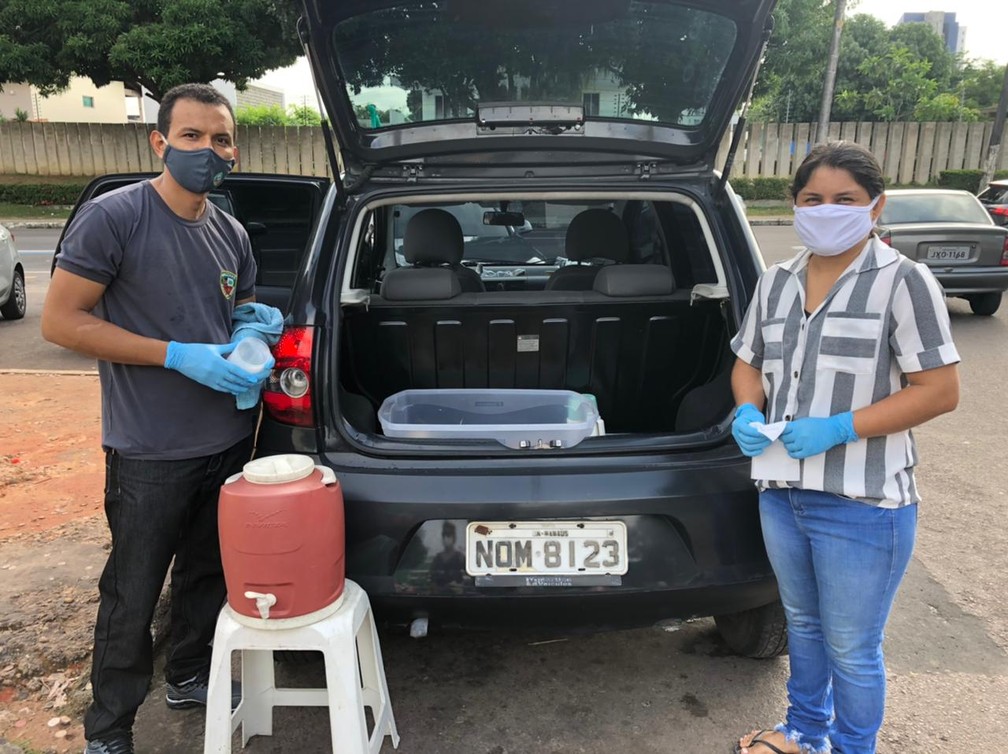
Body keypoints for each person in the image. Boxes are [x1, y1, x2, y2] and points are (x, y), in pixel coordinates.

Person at [41, 83, 275, 754]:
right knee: (132, 594)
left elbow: (237, 318)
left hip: (228, 440)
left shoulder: (230, 231)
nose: (208, 150)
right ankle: (110, 727)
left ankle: (190, 675)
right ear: (160, 141)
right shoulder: (115, 218)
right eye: (193, 136)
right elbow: (61, 322)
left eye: (221, 139)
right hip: (148, 449)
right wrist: (175, 355)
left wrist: (251, 336)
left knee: (207, 574)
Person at [729, 141, 960, 754]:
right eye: (813, 199)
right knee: (803, 628)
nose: (827, 210)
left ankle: (855, 747)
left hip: (863, 502)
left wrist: (840, 428)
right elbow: (747, 361)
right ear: (794, 204)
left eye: (845, 200)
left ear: (874, 207)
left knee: (852, 647)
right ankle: (804, 733)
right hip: (782, 493)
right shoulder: (776, 281)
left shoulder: (904, 282)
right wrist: (748, 407)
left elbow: (939, 390)